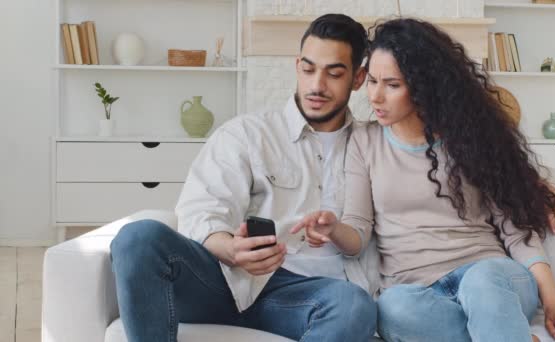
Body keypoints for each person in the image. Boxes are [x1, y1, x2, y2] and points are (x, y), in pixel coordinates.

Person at [291, 18, 555, 342]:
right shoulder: (363, 142)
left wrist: (554, 303)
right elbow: (357, 230)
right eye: (372, 81)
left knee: (481, 282)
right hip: (418, 291)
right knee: (392, 309)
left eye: (393, 85)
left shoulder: (471, 139)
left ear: (424, 85)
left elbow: (515, 229)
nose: (376, 97)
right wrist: (333, 230)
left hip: (492, 278)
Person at [109, 14, 377, 342]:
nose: (316, 85)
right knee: (138, 238)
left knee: (353, 306)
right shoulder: (248, 134)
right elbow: (200, 213)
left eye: (334, 74)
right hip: (227, 281)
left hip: (311, 296)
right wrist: (232, 249)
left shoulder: (373, 145)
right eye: (308, 69)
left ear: (359, 78)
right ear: (296, 65)